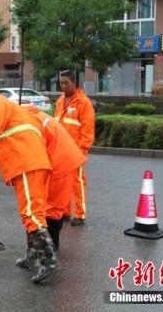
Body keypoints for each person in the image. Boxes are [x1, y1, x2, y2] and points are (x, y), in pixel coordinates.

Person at [0, 93, 58, 283]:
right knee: (35, 212)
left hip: (26, 164)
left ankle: (49, 261)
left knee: (31, 214)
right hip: (36, 163)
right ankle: (32, 257)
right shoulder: (17, 111)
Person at [22, 105, 86, 252]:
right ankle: (48, 247)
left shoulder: (30, 123)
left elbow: (36, 151)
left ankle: (51, 249)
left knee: (52, 207)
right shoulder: (34, 117)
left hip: (61, 162)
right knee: (51, 205)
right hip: (63, 157)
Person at [54, 70, 95, 226]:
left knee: (77, 182)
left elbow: (88, 131)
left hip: (76, 151)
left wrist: (82, 150)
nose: (63, 86)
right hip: (61, 150)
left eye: (66, 83)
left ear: (74, 82)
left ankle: (80, 214)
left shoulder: (83, 102)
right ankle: (65, 212)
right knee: (62, 182)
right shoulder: (60, 101)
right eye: (61, 83)